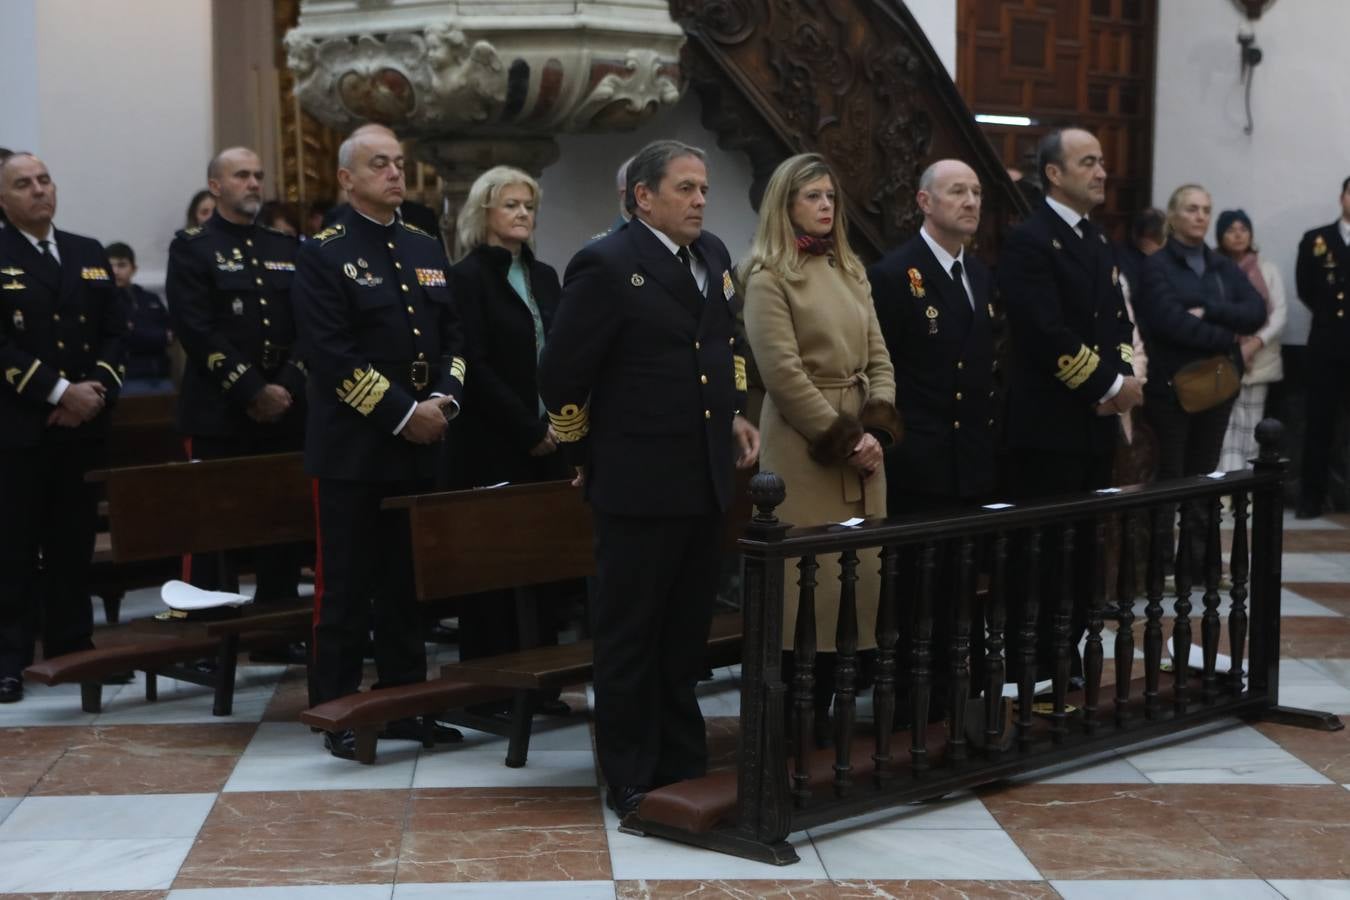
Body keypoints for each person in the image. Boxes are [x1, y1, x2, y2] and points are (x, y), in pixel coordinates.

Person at [537, 139, 760, 817]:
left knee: (684, 632)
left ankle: (682, 758)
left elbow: (722, 344)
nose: (700, 200)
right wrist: (581, 456)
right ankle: (630, 771)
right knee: (632, 633)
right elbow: (561, 374)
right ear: (644, 196)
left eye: (703, 189)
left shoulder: (715, 256)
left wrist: (732, 416)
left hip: (703, 480)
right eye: (686, 188)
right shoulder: (606, 263)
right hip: (637, 482)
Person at [292, 124, 467, 758]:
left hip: (421, 442)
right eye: (378, 165)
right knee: (345, 587)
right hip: (354, 450)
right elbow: (330, 356)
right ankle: (336, 709)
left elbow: (454, 338)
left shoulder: (424, 245)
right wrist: (402, 414)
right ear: (347, 179)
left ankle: (404, 706)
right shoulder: (324, 252)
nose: (395, 173)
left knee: (406, 586)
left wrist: (445, 399)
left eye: (398, 162)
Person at [742, 152, 900, 737]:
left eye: (831, 196)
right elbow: (782, 375)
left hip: (864, 451)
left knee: (858, 588)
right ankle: (790, 726)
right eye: (813, 196)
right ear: (785, 206)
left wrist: (877, 431)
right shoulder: (767, 277)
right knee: (808, 591)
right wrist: (847, 439)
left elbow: (880, 357)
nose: (827, 206)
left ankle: (838, 717)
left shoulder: (852, 270)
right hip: (809, 453)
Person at [997, 127, 1140, 682]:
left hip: (1093, 427)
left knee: (1083, 547)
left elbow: (1117, 319)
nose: (1102, 171)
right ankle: (1027, 656)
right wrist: (1107, 386)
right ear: (1054, 174)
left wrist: (1123, 377)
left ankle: (1069, 647)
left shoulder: (1098, 241)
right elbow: (1044, 331)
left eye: (1102, 161)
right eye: (1088, 162)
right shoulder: (1030, 240)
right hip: (1047, 427)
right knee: (1040, 551)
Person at [0, 152, 126, 703]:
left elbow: (116, 333)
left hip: (81, 428)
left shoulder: (86, 250)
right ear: (3, 199)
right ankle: (8, 659)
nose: (38, 191)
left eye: (44, 180)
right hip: (20, 428)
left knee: (73, 542)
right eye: (23, 184)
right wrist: (57, 391)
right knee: (14, 547)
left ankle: (72, 645)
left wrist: (92, 391)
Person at [445, 165, 571, 702]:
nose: (522, 214)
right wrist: (527, 428)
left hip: (550, 439)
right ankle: (490, 688)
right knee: (496, 569)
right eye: (511, 205)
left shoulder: (545, 276)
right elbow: (472, 364)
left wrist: (561, 423)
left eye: (528, 206)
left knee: (545, 565)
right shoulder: (469, 277)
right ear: (484, 214)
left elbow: (562, 352)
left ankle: (542, 683)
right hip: (493, 444)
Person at [166, 147, 307, 606]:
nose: (253, 183)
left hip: (284, 407)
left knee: (280, 521)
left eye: (258, 175)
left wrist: (285, 385)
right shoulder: (192, 247)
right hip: (219, 410)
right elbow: (196, 329)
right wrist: (252, 389)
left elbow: (307, 325)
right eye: (242, 175)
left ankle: (278, 620)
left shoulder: (284, 247)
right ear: (216, 186)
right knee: (213, 526)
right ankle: (207, 627)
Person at [1134, 185, 1265, 578]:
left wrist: (1209, 309)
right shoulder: (1156, 266)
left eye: (1206, 210)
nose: (1200, 217)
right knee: (1170, 477)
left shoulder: (1220, 265)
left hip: (1216, 385)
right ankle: (1158, 567)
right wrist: (1225, 336)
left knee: (1204, 475)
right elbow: (1168, 321)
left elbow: (1255, 311)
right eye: (1191, 209)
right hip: (1171, 386)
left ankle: (1198, 563)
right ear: (1173, 215)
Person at [869, 158, 995, 511]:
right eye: (957, 191)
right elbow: (881, 365)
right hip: (920, 462)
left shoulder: (978, 272)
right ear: (925, 202)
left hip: (971, 457)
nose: (971, 201)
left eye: (976, 192)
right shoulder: (893, 274)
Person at [1294, 177, 1350, 518]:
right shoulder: (1316, 239)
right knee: (1319, 424)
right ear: (1342, 196)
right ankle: (1310, 497)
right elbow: (1306, 289)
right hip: (1326, 346)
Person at [1216, 209, 1286, 472]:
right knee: (1223, 428)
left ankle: (1244, 490)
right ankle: (1222, 491)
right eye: (1231, 230)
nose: (1238, 235)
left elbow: (1279, 313)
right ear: (1220, 236)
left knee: (1253, 426)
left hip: (1260, 359)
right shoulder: (1214, 268)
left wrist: (1255, 342)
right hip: (1222, 356)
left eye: (1243, 229)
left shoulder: (1267, 269)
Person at [107, 242, 173, 396]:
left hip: (161, 375)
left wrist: (136, 332)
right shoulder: (104, 301)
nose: (116, 271)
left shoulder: (150, 298)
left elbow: (171, 334)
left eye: (122, 265)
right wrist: (159, 336)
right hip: (126, 378)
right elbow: (124, 337)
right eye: (111, 265)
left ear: (134, 269)